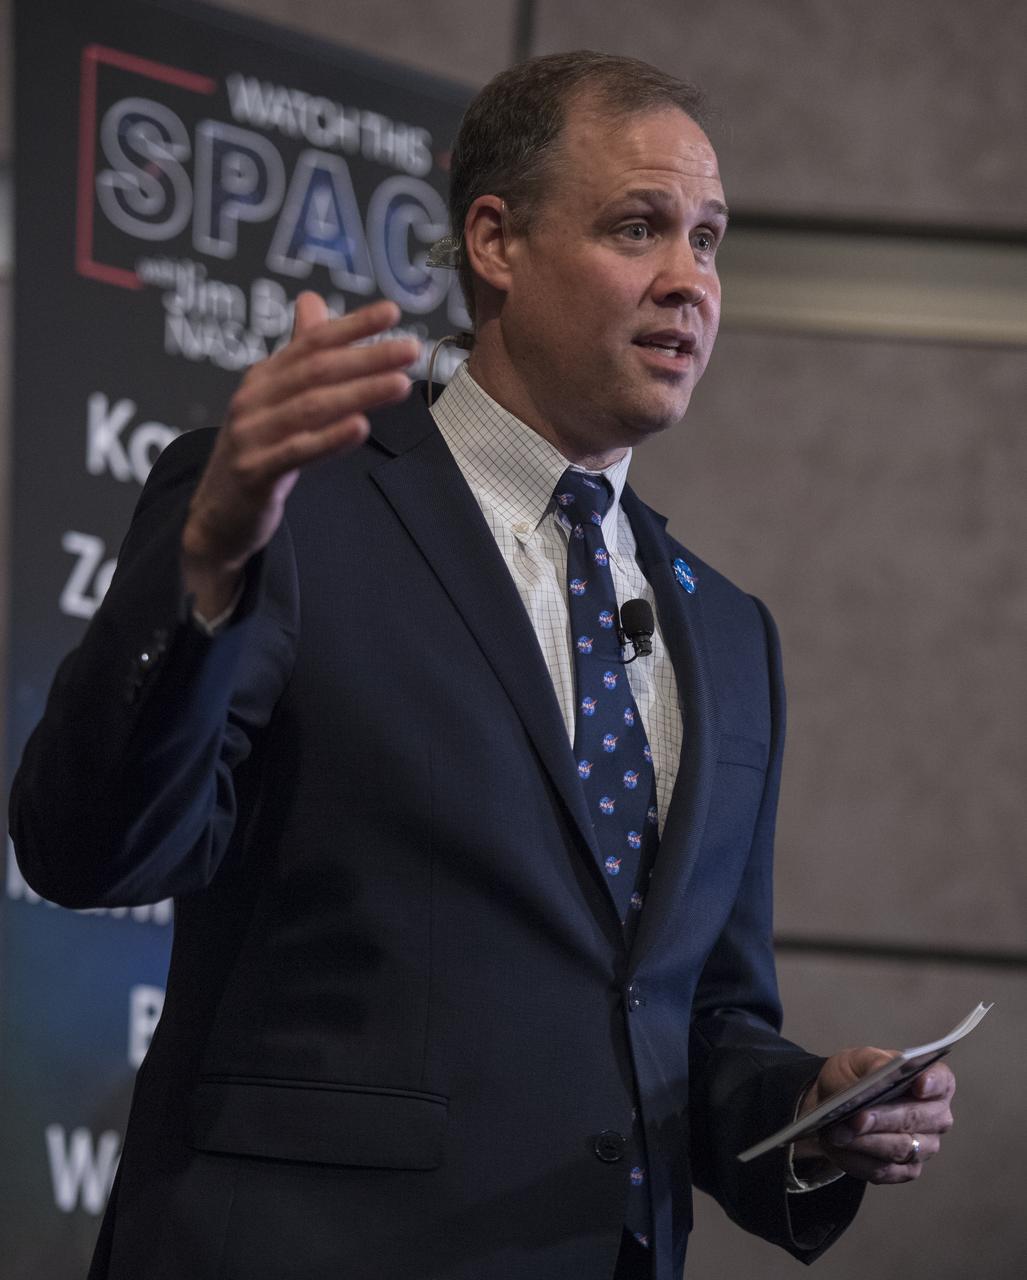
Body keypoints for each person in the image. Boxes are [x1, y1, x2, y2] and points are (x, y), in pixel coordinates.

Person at [10, 51, 956, 1280]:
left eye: (709, 239)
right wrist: (205, 565)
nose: (689, 281)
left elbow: (691, 1018)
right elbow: (91, 849)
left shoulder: (727, 630)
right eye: (638, 227)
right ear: (495, 241)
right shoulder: (291, 507)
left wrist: (814, 1109)